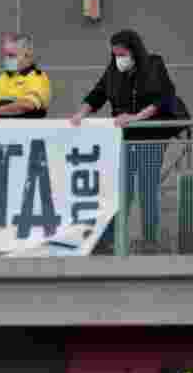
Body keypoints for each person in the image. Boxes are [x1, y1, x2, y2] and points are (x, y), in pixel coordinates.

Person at [71, 29, 189, 246]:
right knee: (120, 192)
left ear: (134, 51)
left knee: (147, 190)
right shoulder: (114, 70)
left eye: (122, 53)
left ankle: (150, 239)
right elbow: (97, 94)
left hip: (150, 138)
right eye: (115, 54)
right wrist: (81, 113)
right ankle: (114, 240)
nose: (119, 58)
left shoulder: (153, 64)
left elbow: (164, 98)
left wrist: (136, 117)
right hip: (123, 140)